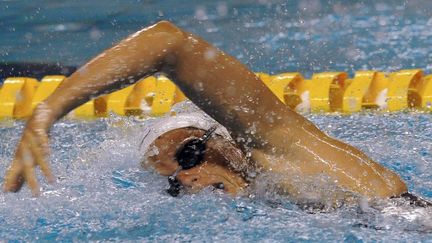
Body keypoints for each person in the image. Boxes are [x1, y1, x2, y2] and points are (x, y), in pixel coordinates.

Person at [2, 21, 428, 208]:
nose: (186, 177)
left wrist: (47, 111)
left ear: (226, 135)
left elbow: (167, 42)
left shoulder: (277, 144)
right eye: (173, 181)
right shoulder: (266, 198)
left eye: (189, 154)